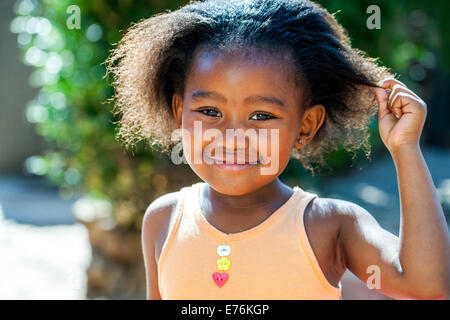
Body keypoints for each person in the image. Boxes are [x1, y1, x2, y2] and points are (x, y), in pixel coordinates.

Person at [105, 0, 450, 300]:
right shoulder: (163, 220)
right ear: (180, 112)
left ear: (305, 126)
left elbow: (426, 284)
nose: (233, 137)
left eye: (262, 115)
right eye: (210, 112)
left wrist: (406, 149)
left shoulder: (328, 225)